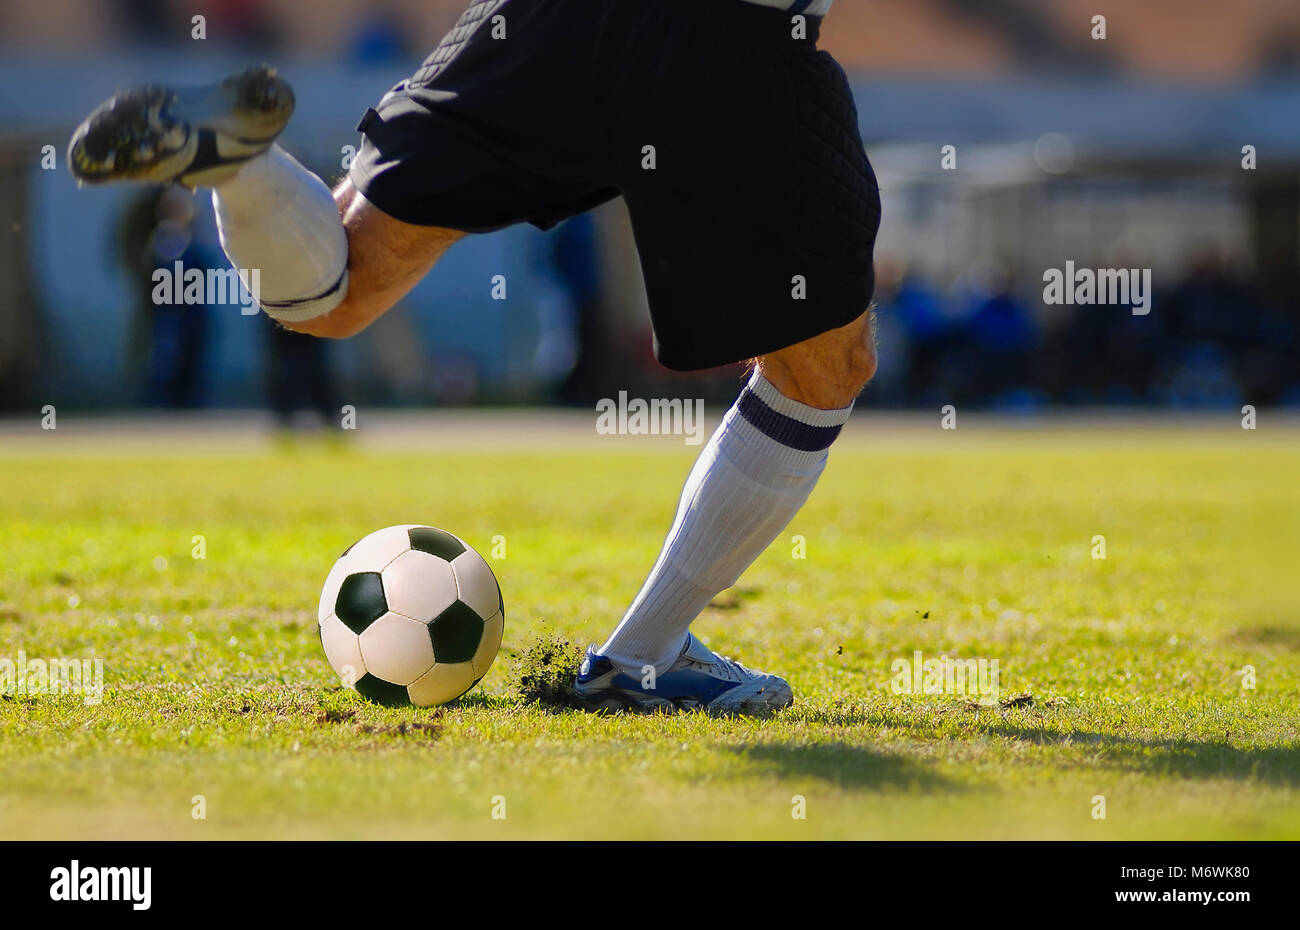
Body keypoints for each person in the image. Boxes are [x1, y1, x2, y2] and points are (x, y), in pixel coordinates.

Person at [68, 0, 880, 714]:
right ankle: (643, 659)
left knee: (339, 289)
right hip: (725, 30)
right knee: (819, 370)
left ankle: (241, 167)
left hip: (548, 19)